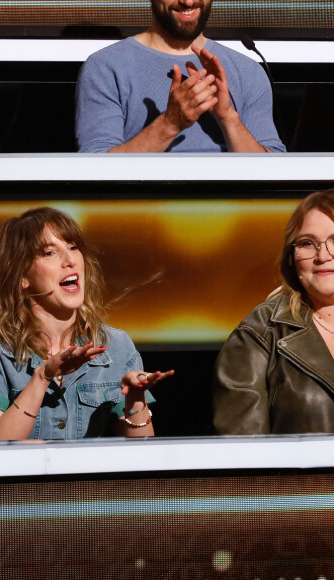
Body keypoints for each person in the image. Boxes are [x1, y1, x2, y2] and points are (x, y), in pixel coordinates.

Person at [0, 207, 173, 440]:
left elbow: (140, 458)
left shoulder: (116, 346)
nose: (70, 261)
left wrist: (135, 398)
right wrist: (42, 377)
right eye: (49, 253)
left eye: (73, 247)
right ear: (21, 276)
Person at [75, 0, 285, 153]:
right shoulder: (104, 67)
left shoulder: (248, 70)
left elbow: (275, 172)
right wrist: (170, 124)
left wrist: (228, 118)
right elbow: (95, 170)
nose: (188, 2)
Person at [213, 190, 334, 434]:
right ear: (292, 258)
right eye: (307, 243)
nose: (323, 256)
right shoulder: (259, 332)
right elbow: (245, 456)